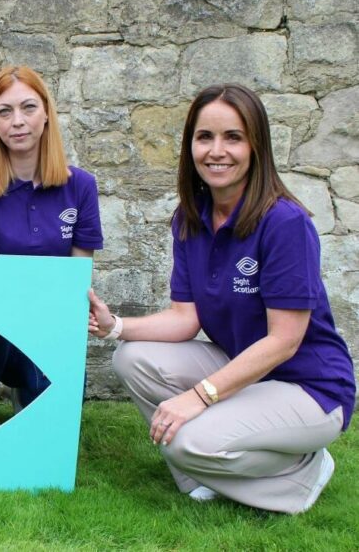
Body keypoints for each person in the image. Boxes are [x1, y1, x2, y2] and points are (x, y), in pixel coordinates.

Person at [88, 83, 356, 514]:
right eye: (204, 137)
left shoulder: (285, 222)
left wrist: (198, 397)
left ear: (256, 145)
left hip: (310, 387)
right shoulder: (190, 218)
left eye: (233, 137)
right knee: (130, 357)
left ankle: (303, 473)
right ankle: (199, 479)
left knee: (186, 438)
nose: (217, 150)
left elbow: (284, 341)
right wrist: (115, 326)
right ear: (190, 145)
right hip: (247, 370)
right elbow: (185, 319)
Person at [0, 66, 103, 442]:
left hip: (41, 327)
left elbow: (77, 279)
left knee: (55, 419)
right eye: (4, 112)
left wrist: (53, 344)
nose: (18, 121)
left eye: (28, 108)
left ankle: (26, 384)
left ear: (46, 114)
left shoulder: (82, 187)